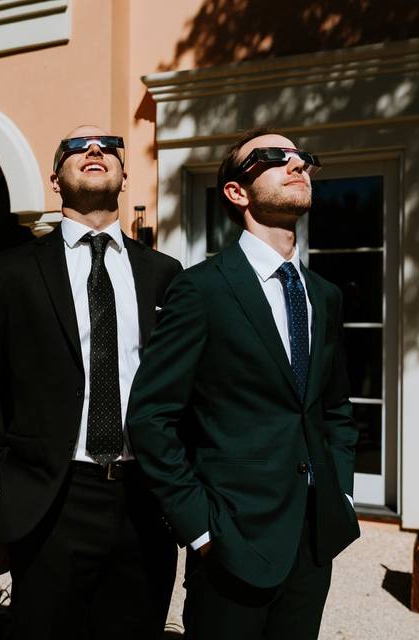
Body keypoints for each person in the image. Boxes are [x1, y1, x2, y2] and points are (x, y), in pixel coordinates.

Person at [126, 127, 362, 639]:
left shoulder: (324, 295)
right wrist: (201, 528)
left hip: (312, 538)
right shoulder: (201, 289)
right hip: (231, 541)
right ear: (237, 192)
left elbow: (335, 409)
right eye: (275, 158)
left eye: (302, 158)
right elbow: (150, 418)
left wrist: (339, 492)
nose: (297, 164)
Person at [0, 126, 182, 639]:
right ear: (56, 180)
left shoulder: (165, 273)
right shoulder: (10, 273)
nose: (94, 150)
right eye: (76, 147)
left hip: (145, 497)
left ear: (124, 176)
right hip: (53, 498)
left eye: (107, 146)